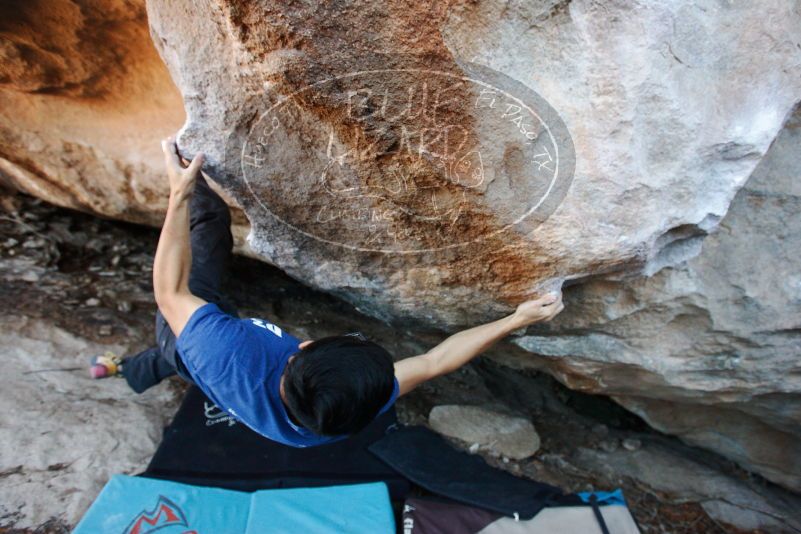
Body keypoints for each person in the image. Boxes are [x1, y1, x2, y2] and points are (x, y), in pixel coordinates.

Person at [90, 136, 565, 447]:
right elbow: (438, 361)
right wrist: (516, 319)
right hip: (211, 360)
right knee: (179, 356)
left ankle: (132, 365)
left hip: (197, 347)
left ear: (301, 351)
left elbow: (169, 290)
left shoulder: (225, 349)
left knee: (206, 230)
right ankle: (134, 369)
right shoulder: (342, 406)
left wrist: (179, 193)